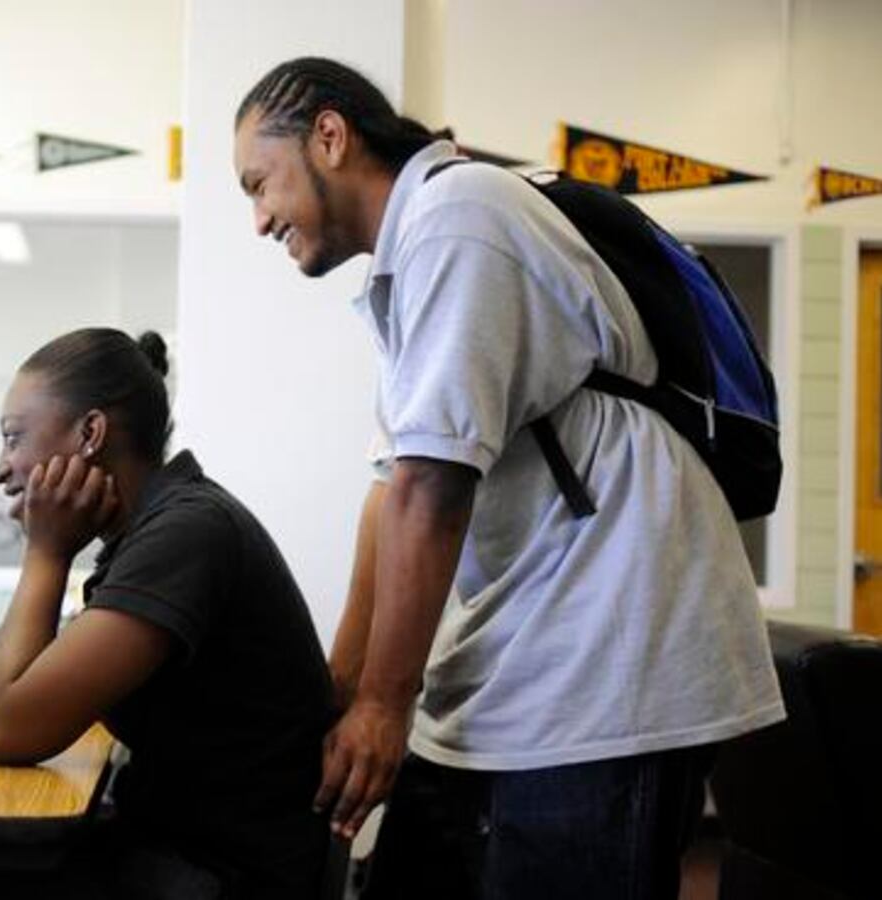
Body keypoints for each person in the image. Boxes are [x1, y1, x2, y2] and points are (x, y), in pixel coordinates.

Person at [232, 58, 784, 899]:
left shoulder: (461, 216)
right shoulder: (415, 255)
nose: (258, 219)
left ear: (330, 137)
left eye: (259, 183)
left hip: (605, 671)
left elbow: (429, 488)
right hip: (527, 658)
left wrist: (383, 704)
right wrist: (344, 692)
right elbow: (391, 492)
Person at [0, 328, 336, 900]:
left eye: (13, 439)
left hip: (219, 873)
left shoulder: (185, 534)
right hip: (195, 848)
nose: (0, 469)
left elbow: (9, 735)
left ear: (90, 434)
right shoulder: (164, 525)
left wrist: (46, 551)